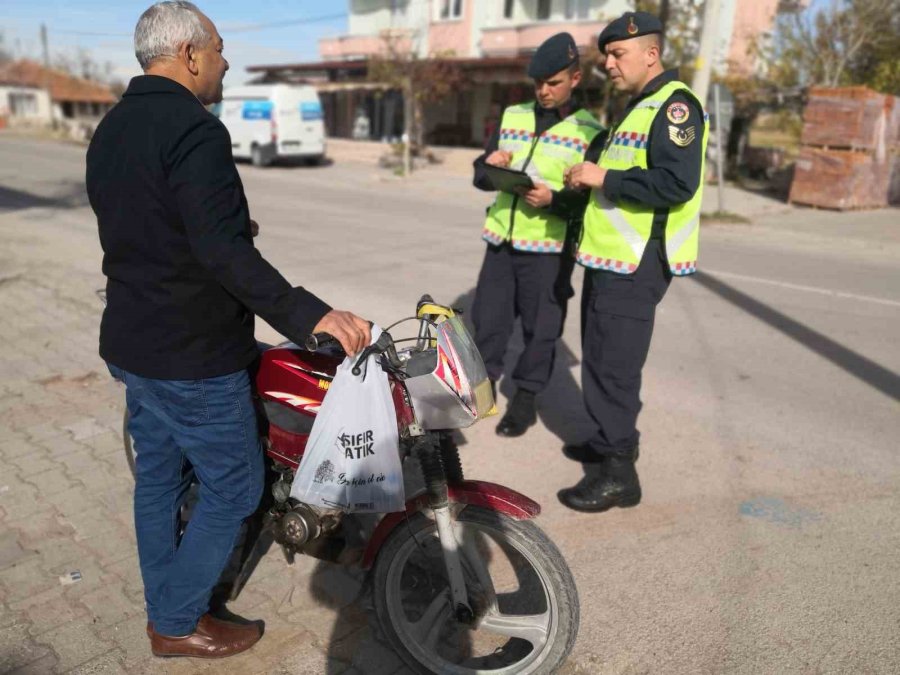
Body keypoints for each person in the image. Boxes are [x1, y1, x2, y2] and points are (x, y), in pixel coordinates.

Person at [86, 1, 371, 658]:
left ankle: (167, 604)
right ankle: (180, 618)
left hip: (134, 344)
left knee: (159, 477)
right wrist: (312, 315)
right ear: (188, 54)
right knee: (235, 484)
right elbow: (221, 254)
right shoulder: (195, 130)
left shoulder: (113, 127)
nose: (226, 60)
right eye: (217, 46)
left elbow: (145, 226)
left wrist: (219, 234)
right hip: (192, 354)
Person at [558, 11, 708, 512]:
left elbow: (675, 183)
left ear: (651, 53)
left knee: (614, 369)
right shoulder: (637, 107)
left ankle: (620, 474)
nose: (608, 64)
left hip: (637, 264)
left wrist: (604, 179)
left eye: (617, 54)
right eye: (605, 55)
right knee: (600, 361)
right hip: (610, 259)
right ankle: (606, 444)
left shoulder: (675, 106)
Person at [471, 32, 605, 438]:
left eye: (554, 83)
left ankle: (525, 401)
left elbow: (588, 206)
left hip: (548, 250)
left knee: (540, 329)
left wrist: (554, 199)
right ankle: (480, 395)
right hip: (501, 242)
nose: (544, 92)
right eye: (538, 84)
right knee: (488, 323)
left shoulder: (591, 133)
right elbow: (481, 177)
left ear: (576, 79)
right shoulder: (512, 115)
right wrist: (487, 164)